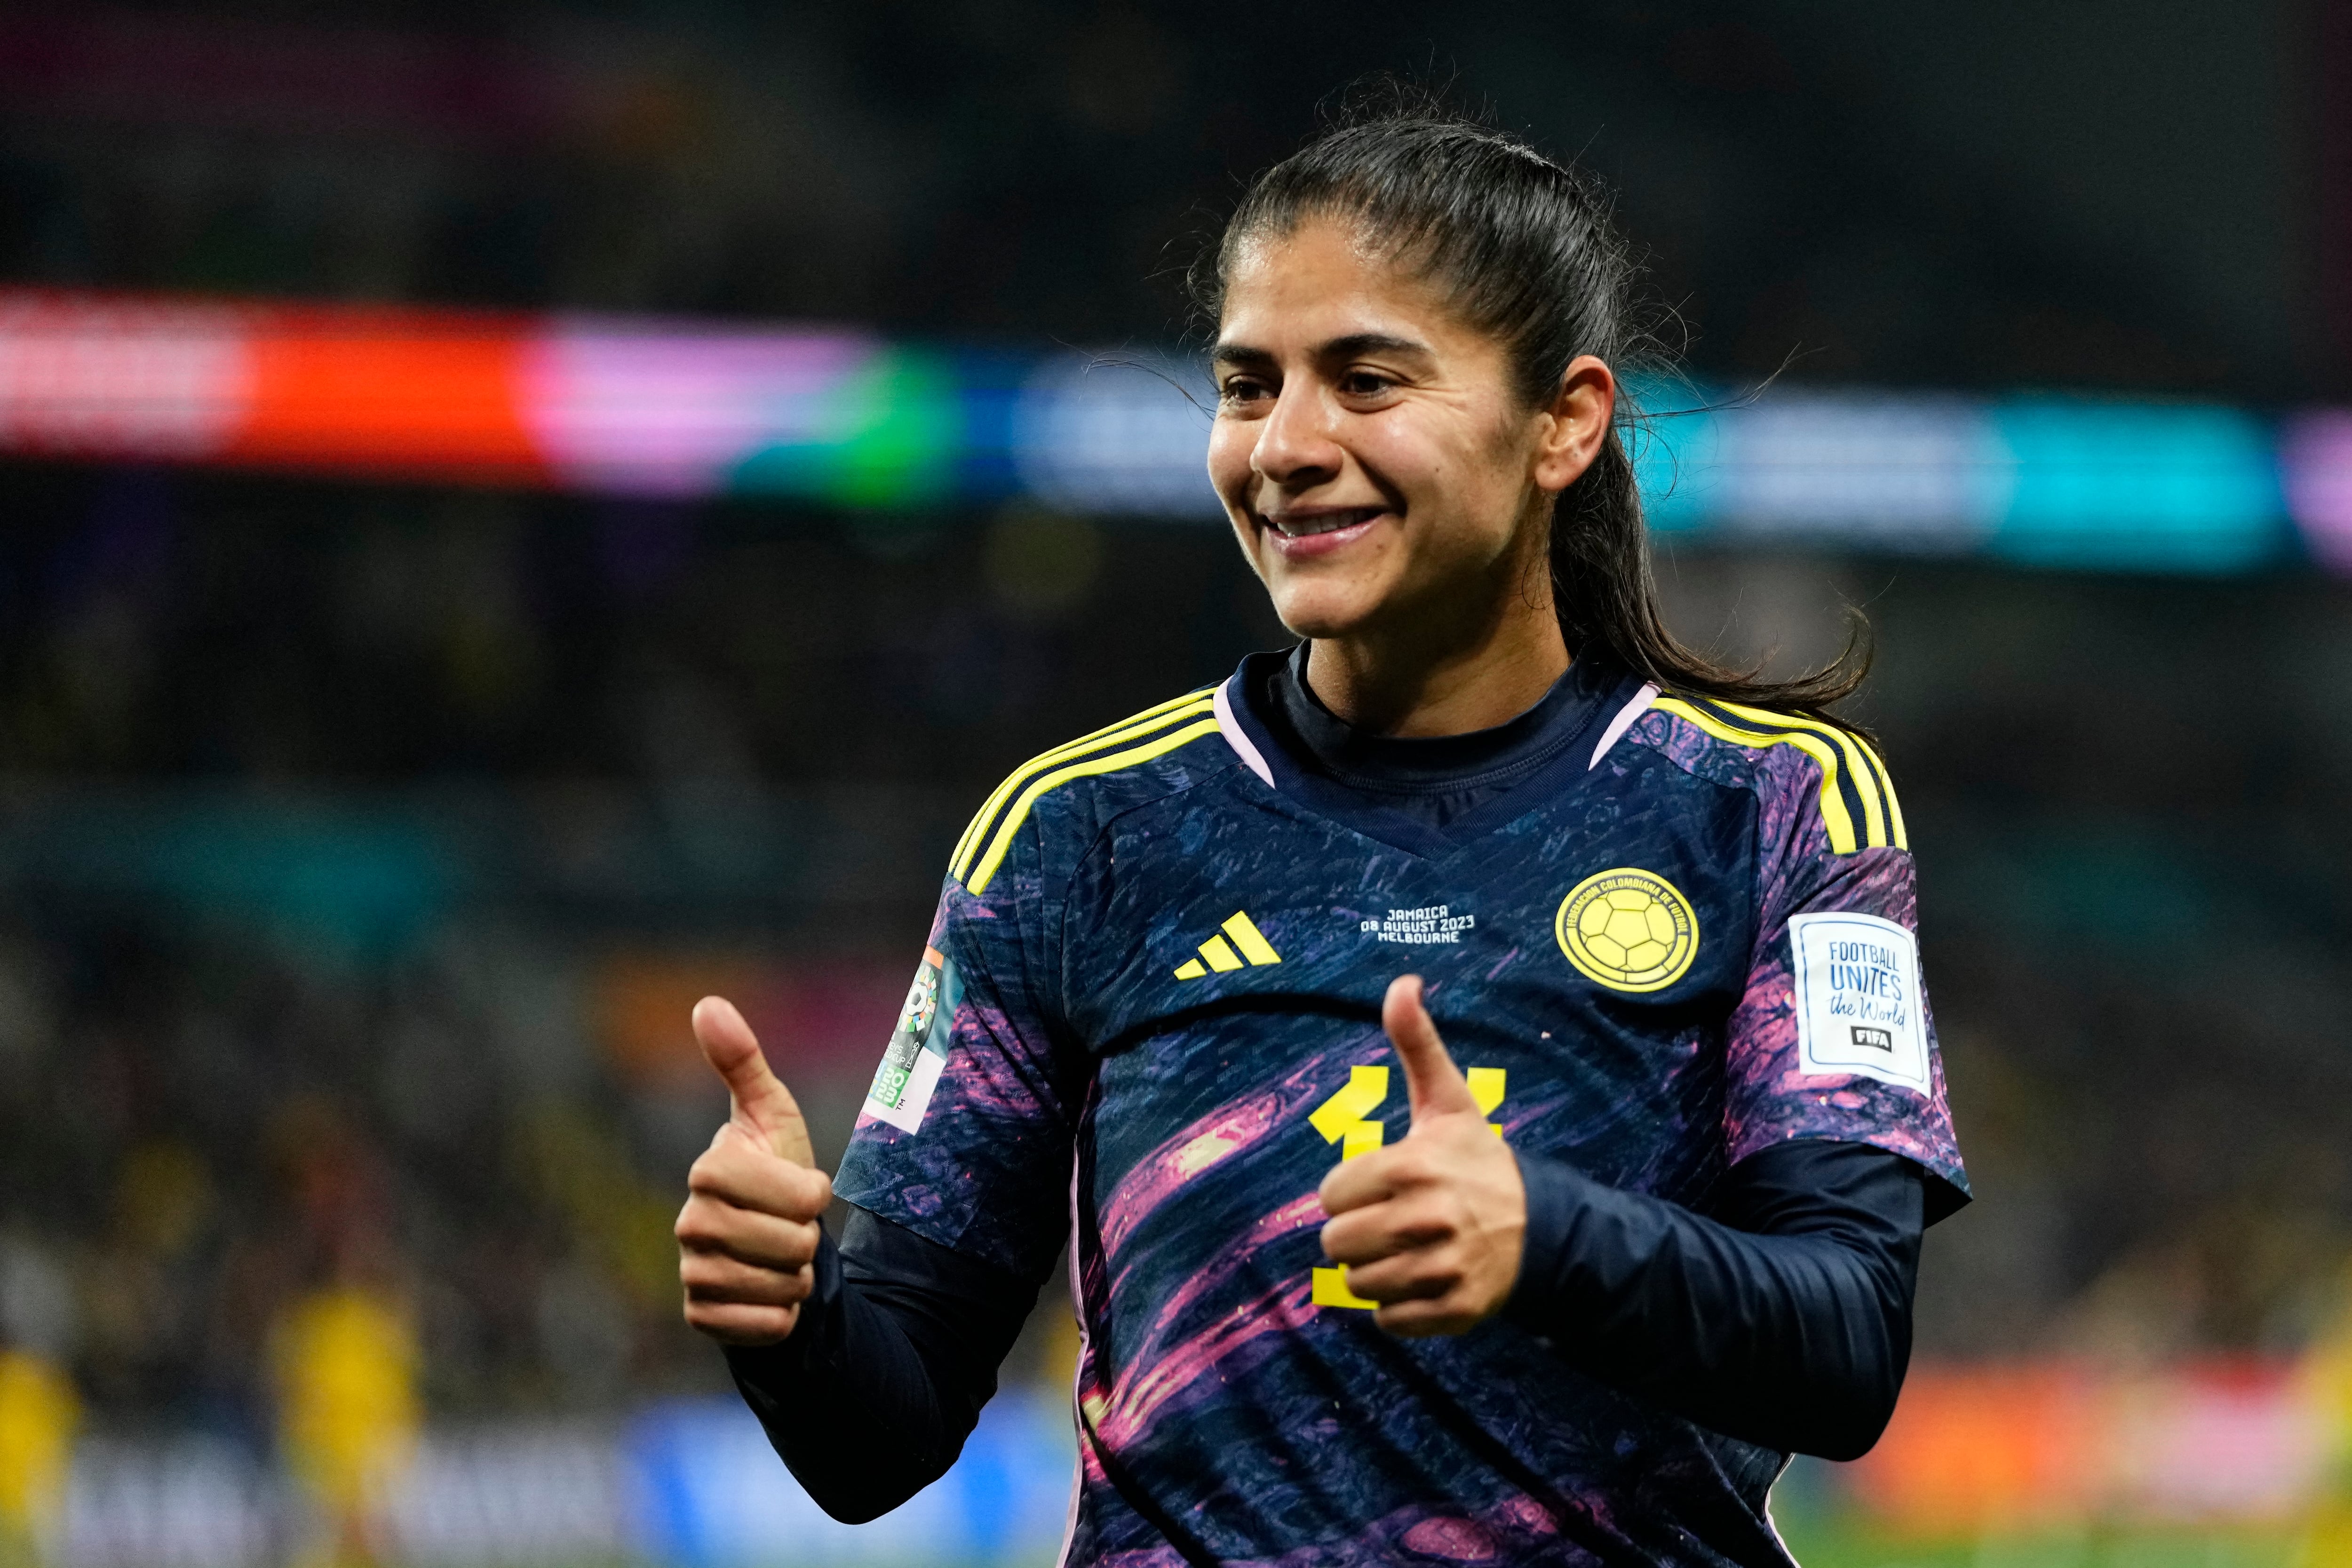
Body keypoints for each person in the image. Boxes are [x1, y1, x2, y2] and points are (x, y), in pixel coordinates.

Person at [674, 103, 1968, 1568]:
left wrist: (1547, 1239)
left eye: (1365, 380)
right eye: (1245, 385)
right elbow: (876, 1446)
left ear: (1566, 421)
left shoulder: (1773, 807)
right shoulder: (1076, 834)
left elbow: (1849, 1346)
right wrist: (790, 1313)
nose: (1286, 446)